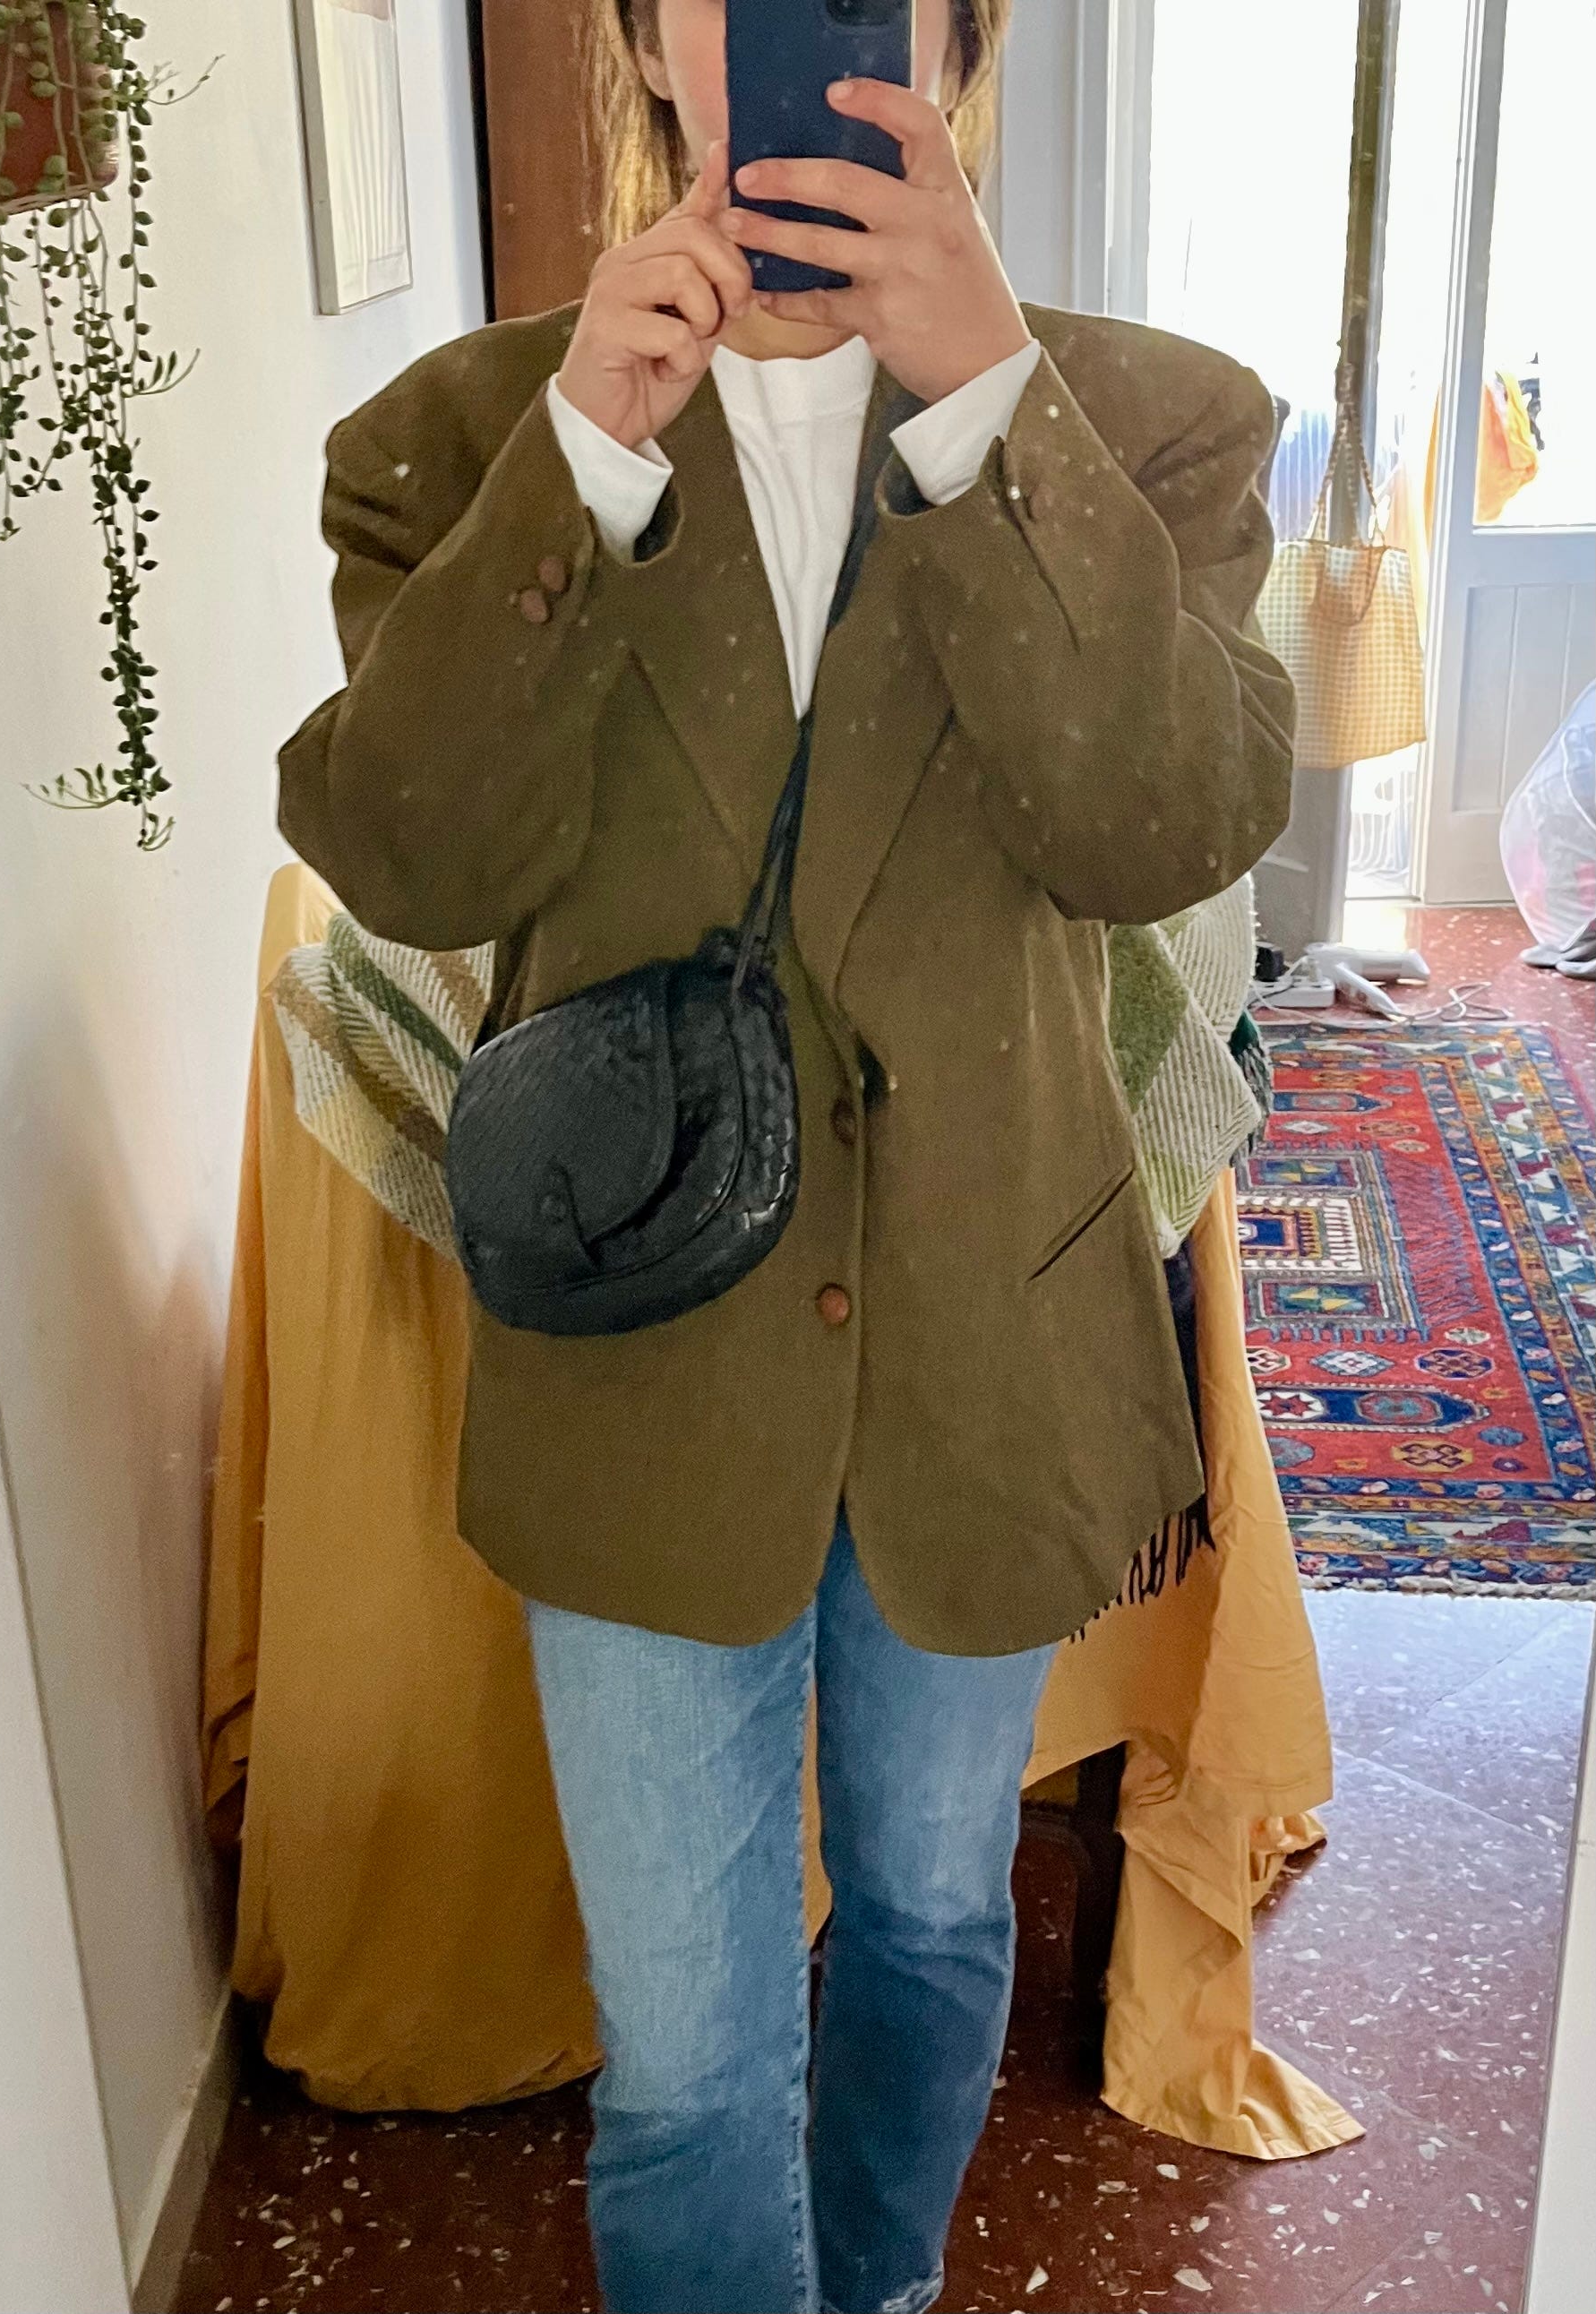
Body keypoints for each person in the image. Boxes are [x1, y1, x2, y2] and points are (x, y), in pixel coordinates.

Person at [277, 4, 1294, 2306]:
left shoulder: (1153, 425)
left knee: (933, 1917)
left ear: (956, 35)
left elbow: (1164, 823)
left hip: (984, 1344)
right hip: (640, 1364)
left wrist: (988, 403)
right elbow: (412, 856)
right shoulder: (464, 440)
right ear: (652, 37)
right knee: (687, 2061)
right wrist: (586, 464)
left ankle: (887, 2282)